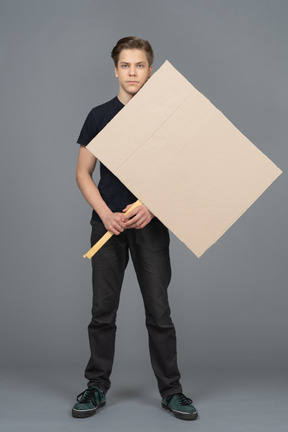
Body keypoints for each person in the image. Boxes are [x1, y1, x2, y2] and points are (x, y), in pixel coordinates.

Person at [72, 36, 198, 421]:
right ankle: (96, 386)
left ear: (150, 70)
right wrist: (106, 214)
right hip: (108, 227)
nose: (132, 72)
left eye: (140, 65)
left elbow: (181, 172)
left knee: (159, 313)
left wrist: (154, 206)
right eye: (125, 65)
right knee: (102, 312)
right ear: (115, 70)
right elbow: (82, 173)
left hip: (151, 227)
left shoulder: (164, 115)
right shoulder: (99, 115)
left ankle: (172, 391)